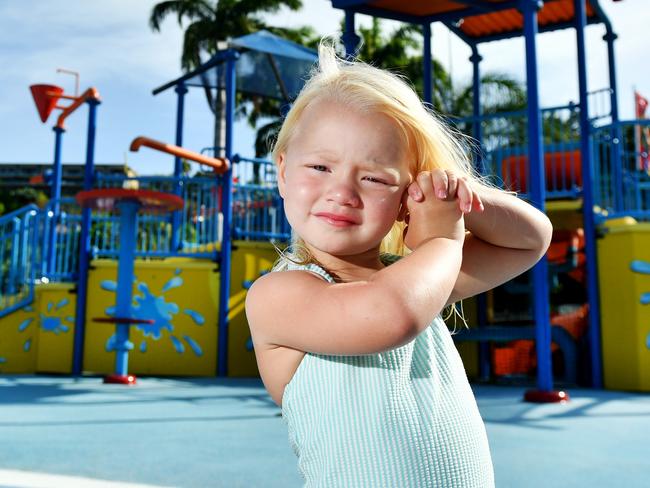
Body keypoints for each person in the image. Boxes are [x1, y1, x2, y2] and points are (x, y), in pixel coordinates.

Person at [245, 43, 552, 488]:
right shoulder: (279, 295)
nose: (343, 192)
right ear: (283, 172)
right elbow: (390, 314)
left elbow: (531, 240)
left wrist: (456, 196)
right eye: (319, 166)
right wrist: (444, 236)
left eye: (374, 178)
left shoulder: (421, 277)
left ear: (407, 196)